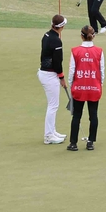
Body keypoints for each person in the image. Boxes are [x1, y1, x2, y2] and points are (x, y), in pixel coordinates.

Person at [67, 25, 104, 152]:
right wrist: (100, 85)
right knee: (93, 115)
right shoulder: (99, 51)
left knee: (76, 116)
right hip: (94, 87)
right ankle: (90, 142)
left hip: (79, 87)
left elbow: (71, 72)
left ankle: (73, 143)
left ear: (81, 36)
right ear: (93, 36)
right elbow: (101, 72)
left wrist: (72, 86)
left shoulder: (75, 51)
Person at [38, 15, 68, 145]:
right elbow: (57, 62)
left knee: (53, 105)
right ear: (61, 27)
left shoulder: (46, 35)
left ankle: (52, 131)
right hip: (50, 75)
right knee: (53, 105)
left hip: (45, 73)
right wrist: (61, 77)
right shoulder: (56, 41)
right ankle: (48, 136)